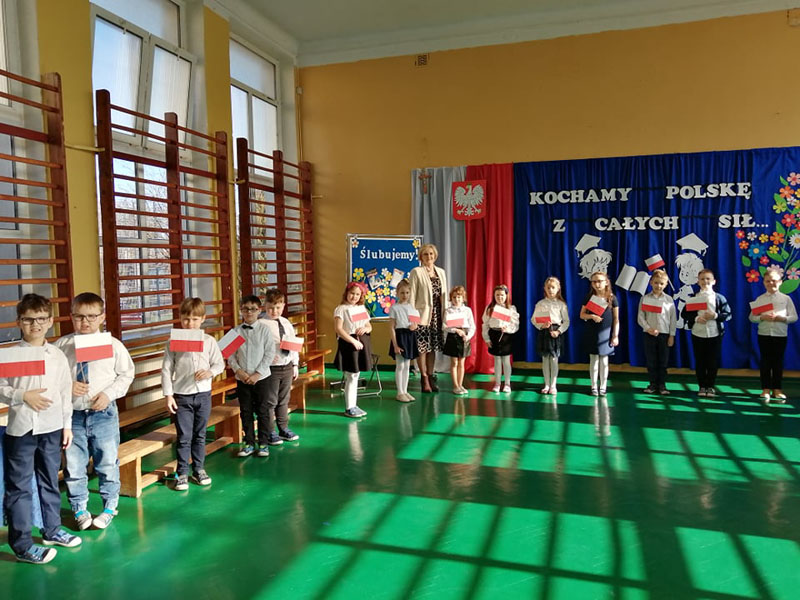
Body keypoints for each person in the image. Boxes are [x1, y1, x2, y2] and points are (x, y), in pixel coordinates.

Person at [0, 294, 81, 564]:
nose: (35, 324)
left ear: (50, 321)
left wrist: (67, 426)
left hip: (52, 427)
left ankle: (52, 530)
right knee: (19, 487)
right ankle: (22, 545)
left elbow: (64, 392)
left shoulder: (57, 355)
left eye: (41, 319)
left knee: (49, 480)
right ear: (19, 322)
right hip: (21, 430)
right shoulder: (9, 355)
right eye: (28, 319)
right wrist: (22, 396)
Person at [54, 292, 134, 530]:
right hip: (73, 416)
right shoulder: (62, 346)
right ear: (71, 317)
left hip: (103, 414)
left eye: (91, 316)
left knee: (107, 462)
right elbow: (51, 379)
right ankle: (79, 508)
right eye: (79, 317)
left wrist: (108, 394)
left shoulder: (113, 345)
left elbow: (126, 375)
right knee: (74, 464)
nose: (85, 322)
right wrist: (67, 386)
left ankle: (109, 506)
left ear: (102, 317)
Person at [162, 298, 225, 490]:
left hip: (203, 395)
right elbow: (166, 369)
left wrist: (209, 372)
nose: (190, 323)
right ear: (180, 318)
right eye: (186, 319)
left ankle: (198, 469)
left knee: (200, 434)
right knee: (184, 436)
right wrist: (168, 395)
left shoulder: (209, 341)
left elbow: (219, 363)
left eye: (195, 319)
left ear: (203, 319)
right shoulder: (173, 342)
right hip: (182, 396)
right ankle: (182, 472)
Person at [228, 295, 275, 458]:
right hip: (242, 378)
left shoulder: (264, 330)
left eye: (253, 309)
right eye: (245, 309)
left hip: (261, 378)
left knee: (263, 411)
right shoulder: (235, 331)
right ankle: (248, 442)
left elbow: (269, 354)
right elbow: (230, 355)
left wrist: (257, 374)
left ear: (259, 311)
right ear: (241, 310)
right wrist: (239, 371)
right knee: (245, 411)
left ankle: (263, 443)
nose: (249, 312)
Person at [748, 267, 797, 404]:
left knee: (777, 362)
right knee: (765, 362)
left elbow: (794, 317)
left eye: (774, 281)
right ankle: (765, 389)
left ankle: (777, 389)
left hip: (780, 335)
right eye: (768, 281)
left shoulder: (786, 299)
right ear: (764, 283)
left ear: (780, 282)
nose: (771, 283)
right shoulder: (760, 299)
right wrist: (762, 317)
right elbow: (752, 317)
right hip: (764, 334)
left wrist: (782, 318)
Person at [680, 269, 731, 397]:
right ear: (698, 282)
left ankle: (710, 386)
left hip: (715, 334)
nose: (705, 281)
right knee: (700, 361)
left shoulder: (719, 298)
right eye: (702, 279)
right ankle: (702, 386)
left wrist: (715, 315)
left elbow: (728, 315)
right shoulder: (693, 298)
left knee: (712, 362)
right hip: (698, 333)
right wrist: (696, 318)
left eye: (708, 278)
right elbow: (684, 314)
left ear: (714, 281)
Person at [260, 288, 300, 441]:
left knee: (284, 399)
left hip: (286, 365)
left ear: (283, 306)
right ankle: (270, 431)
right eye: (271, 307)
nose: (274, 311)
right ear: (265, 305)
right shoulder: (261, 324)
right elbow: (257, 347)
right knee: (270, 401)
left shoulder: (286, 322)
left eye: (278, 307)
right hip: (271, 368)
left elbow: (293, 344)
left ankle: (283, 428)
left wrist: (295, 364)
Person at [408, 243, 449, 393]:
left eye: (431, 254)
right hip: (422, 316)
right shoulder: (416, 272)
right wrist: (412, 318)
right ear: (421, 257)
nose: (429, 257)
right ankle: (424, 378)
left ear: (435, 256)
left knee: (433, 348)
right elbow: (411, 296)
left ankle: (431, 376)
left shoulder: (441, 272)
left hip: (437, 315)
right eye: (425, 254)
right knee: (422, 348)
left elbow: (444, 295)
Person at [334, 282, 372, 417]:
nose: (354, 297)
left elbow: (369, 326)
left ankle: (353, 405)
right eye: (352, 293)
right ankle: (349, 407)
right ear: (346, 293)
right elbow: (338, 329)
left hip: (361, 342)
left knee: (356, 375)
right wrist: (353, 341)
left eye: (357, 294)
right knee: (351, 375)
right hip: (349, 343)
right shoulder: (341, 309)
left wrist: (365, 328)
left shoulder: (360, 308)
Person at [637, 270, 676, 395]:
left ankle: (662, 385)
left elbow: (673, 319)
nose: (658, 286)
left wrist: (672, 335)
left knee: (663, 361)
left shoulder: (669, 300)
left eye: (661, 283)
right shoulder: (644, 298)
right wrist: (648, 328)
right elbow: (640, 317)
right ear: (651, 283)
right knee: (651, 361)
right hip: (649, 334)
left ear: (666, 285)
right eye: (656, 283)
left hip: (664, 335)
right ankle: (653, 384)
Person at [579, 271, 619, 395]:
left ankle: (603, 386)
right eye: (594, 282)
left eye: (600, 281)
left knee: (604, 361)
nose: (597, 284)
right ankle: (593, 387)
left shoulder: (612, 298)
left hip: (606, 335)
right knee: (594, 361)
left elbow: (616, 319)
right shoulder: (589, 297)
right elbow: (582, 315)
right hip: (592, 333)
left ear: (606, 282)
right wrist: (592, 316)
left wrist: (615, 336)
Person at [531, 277, 570, 395]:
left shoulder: (561, 304)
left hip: (555, 333)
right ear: (545, 289)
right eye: (548, 288)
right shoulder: (540, 304)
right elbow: (533, 319)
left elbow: (566, 321)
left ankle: (553, 385)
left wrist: (558, 331)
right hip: (544, 332)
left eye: (553, 287)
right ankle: (546, 384)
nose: (551, 290)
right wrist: (542, 325)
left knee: (554, 359)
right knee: (545, 359)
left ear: (558, 289)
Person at [482, 285, 520, 393]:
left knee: (506, 360)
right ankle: (497, 383)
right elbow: (485, 324)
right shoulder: (490, 308)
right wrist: (486, 338)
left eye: (502, 295)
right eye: (497, 295)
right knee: (497, 360)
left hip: (506, 335)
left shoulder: (511, 308)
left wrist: (508, 328)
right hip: (494, 334)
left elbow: (515, 324)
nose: (500, 297)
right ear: (494, 296)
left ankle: (507, 384)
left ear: (506, 296)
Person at [389, 279, 419, 403]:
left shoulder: (412, 307)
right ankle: (399, 392)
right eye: (402, 293)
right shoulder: (394, 308)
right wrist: (395, 345)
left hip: (409, 336)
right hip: (400, 336)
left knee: (407, 365)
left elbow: (415, 323)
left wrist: (414, 326)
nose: (405, 295)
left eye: (407, 292)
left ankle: (405, 391)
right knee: (400, 365)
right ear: (397, 293)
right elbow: (392, 327)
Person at [442, 286, 475, 395]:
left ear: (463, 298)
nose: (457, 299)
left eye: (459, 297)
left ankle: (460, 385)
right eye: (454, 297)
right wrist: (455, 330)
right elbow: (444, 326)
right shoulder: (448, 311)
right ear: (451, 298)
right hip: (453, 337)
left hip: (464, 337)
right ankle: (455, 386)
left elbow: (472, 326)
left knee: (461, 362)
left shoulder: (467, 310)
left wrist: (468, 336)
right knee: (454, 362)